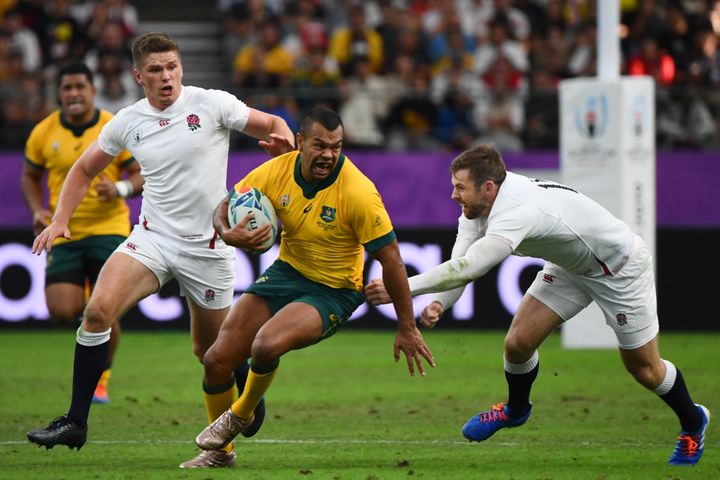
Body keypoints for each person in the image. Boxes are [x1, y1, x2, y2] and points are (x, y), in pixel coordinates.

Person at [26, 32, 296, 462]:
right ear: (139, 76)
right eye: (155, 70)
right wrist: (60, 219)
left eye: (172, 66)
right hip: (152, 238)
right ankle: (75, 421)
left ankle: (244, 385)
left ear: (181, 68)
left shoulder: (212, 103)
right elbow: (81, 170)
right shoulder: (127, 122)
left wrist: (287, 150)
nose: (166, 76)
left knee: (210, 354)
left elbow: (274, 124)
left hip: (209, 247)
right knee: (97, 312)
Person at [364, 144, 710, 466]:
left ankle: (694, 421)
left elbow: (470, 268)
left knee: (644, 368)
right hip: (570, 268)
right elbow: (461, 262)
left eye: (460, 187)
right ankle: (515, 411)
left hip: (619, 269)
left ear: (488, 188)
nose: (453, 194)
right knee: (518, 343)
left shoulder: (517, 210)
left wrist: (401, 288)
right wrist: (440, 302)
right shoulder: (476, 207)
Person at [187, 107, 435, 468]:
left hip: (334, 290)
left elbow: (392, 260)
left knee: (265, 344)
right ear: (300, 142)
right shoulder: (277, 170)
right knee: (215, 359)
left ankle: (241, 414)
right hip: (288, 272)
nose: (328, 154)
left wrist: (406, 325)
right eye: (320, 145)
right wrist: (227, 232)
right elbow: (225, 206)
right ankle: (220, 455)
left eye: (336, 146)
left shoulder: (358, 192)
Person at [21, 61, 143, 405]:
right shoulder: (43, 132)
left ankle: (101, 378)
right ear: (59, 94)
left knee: (105, 309)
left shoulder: (113, 126)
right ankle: (93, 328)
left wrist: (118, 189)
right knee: (62, 310)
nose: (74, 93)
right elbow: (29, 176)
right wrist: (37, 210)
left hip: (109, 230)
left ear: (92, 90)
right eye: (67, 88)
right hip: (65, 232)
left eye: (80, 87)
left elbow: (140, 174)